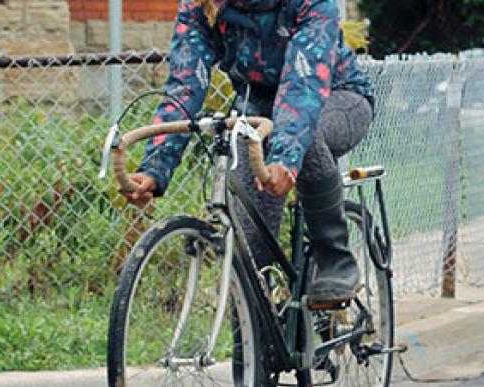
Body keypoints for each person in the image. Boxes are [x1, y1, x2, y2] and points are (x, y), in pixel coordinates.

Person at [120, 0, 375, 309]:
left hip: (337, 96)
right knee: (250, 260)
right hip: (258, 115)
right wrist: (154, 169)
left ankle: (334, 258)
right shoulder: (201, 6)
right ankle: (255, 350)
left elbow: (303, 86)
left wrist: (285, 158)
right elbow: (185, 87)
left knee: (308, 138)